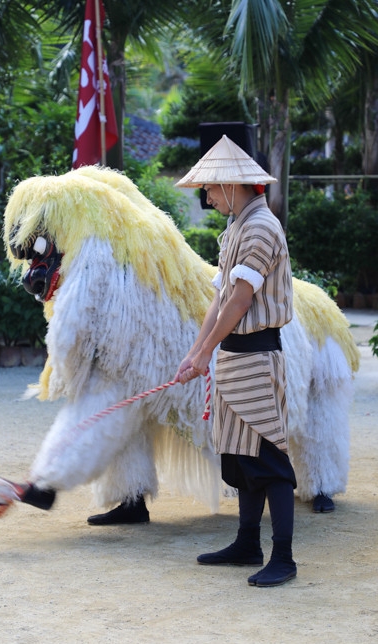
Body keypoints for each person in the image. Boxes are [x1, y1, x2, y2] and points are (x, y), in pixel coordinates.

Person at [174, 135, 297, 587]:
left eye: (208, 187)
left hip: (257, 356)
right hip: (233, 357)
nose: (205, 196)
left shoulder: (261, 227)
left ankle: (283, 555)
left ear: (230, 184)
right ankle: (249, 542)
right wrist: (197, 351)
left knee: (268, 457)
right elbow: (220, 299)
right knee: (241, 456)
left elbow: (242, 300)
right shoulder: (237, 228)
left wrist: (206, 352)